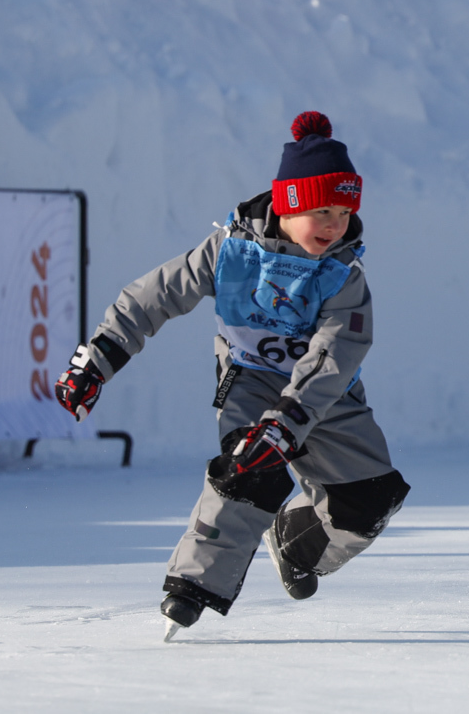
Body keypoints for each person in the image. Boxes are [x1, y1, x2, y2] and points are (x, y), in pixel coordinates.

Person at [55, 111, 410, 640]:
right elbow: (153, 297)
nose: (335, 224)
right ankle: (191, 586)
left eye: (343, 211)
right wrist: (99, 358)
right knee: (248, 467)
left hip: (324, 397)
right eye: (320, 211)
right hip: (250, 381)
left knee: (373, 498)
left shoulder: (343, 275)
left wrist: (289, 423)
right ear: (287, 205)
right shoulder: (230, 253)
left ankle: (298, 543)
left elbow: (338, 353)